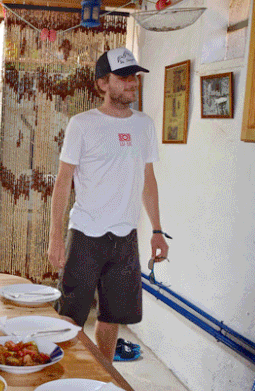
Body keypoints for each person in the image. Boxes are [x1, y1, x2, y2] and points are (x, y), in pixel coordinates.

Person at [47, 47, 169, 362]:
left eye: (135, 76)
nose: (132, 83)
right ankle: (66, 373)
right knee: (70, 317)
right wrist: (55, 237)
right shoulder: (82, 124)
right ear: (103, 83)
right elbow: (62, 183)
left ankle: (103, 376)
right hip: (86, 234)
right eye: (124, 76)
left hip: (125, 238)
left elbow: (148, 179)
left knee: (112, 317)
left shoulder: (144, 125)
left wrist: (157, 229)